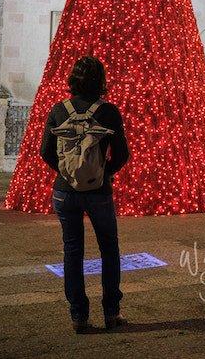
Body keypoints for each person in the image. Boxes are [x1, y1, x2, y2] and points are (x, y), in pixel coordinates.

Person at [40, 56, 130, 333]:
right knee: (109, 250)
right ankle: (111, 313)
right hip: (98, 191)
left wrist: (67, 174)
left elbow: (45, 152)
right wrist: (103, 172)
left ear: (73, 79)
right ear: (100, 80)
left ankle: (79, 316)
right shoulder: (108, 111)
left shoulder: (58, 110)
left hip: (65, 193)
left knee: (72, 251)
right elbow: (123, 155)